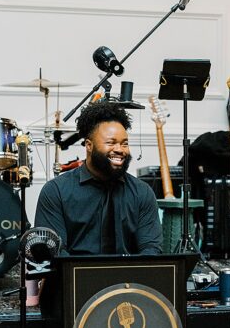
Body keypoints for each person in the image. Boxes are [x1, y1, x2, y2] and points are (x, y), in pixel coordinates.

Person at [35, 102, 162, 255]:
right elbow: (54, 251)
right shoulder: (56, 191)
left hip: (129, 277)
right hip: (74, 276)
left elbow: (151, 249)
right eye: (111, 143)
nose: (119, 150)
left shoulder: (142, 193)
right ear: (89, 145)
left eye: (124, 144)